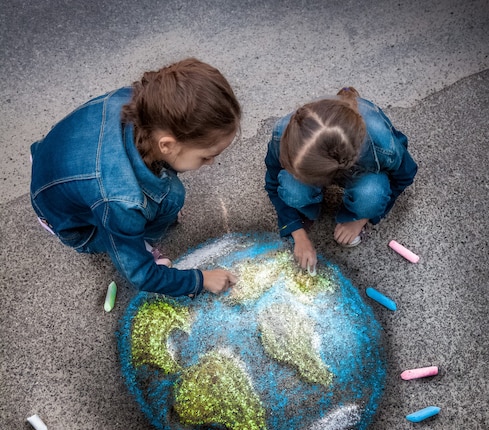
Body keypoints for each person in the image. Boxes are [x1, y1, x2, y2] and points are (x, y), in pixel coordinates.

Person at [30, 58, 241, 298]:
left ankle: (67, 190)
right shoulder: (121, 198)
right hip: (73, 222)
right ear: (167, 145)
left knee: (165, 197)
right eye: (206, 157)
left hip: (56, 158)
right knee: (168, 199)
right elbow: (141, 275)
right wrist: (200, 279)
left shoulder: (145, 101)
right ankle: (59, 219)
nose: (212, 163)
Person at [264, 87, 418, 270]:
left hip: (361, 164)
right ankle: (308, 211)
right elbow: (273, 182)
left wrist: (360, 220)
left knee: (371, 194)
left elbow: (406, 174)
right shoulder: (285, 134)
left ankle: (353, 214)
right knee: (292, 188)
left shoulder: (381, 146)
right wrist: (297, 233)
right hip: (336, 158)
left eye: (304, 175)